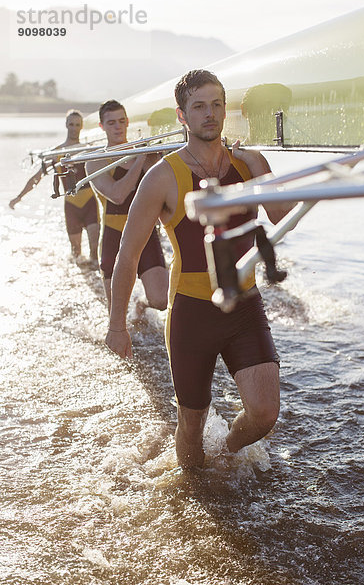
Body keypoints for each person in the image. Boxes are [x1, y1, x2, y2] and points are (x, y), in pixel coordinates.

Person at [106, 70, 292, 469]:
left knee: (264, 413)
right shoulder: (162, 177)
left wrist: (256, 167)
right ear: (182, 116)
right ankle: (194, 490)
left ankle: (226, 452)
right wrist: (117, 325)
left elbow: (281, 214)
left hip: (245, 305)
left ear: (226, 110)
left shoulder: (250, 163)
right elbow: (128, 253)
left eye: (217, 104)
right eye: (199, 106)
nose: (210, 114)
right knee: (190, 427)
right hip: (191, 313)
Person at [85, 100, 168, 312]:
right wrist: (139, 159)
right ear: (102, 126)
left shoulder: (147, 157)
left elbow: (166, 191)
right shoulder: (94, 162)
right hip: (114, 237)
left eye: (122, 121)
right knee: (116, 312)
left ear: (128, 122)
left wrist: (156, 158)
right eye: (111, 123)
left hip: (146, 234)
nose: (117, 127)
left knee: (160, 301)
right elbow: (117, 195)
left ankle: (141, 303)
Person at [9, 110, 99, 265]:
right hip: (71, 206)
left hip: (90, 203)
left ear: (81, 126)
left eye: (77, 125)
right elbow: (37, 178)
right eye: (71, 124)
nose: (74, 128)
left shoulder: (88, 150)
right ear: (66, 125)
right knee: (76, 254)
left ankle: (95, 280)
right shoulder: (56, 153)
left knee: (94, 252)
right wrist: (19, 196)